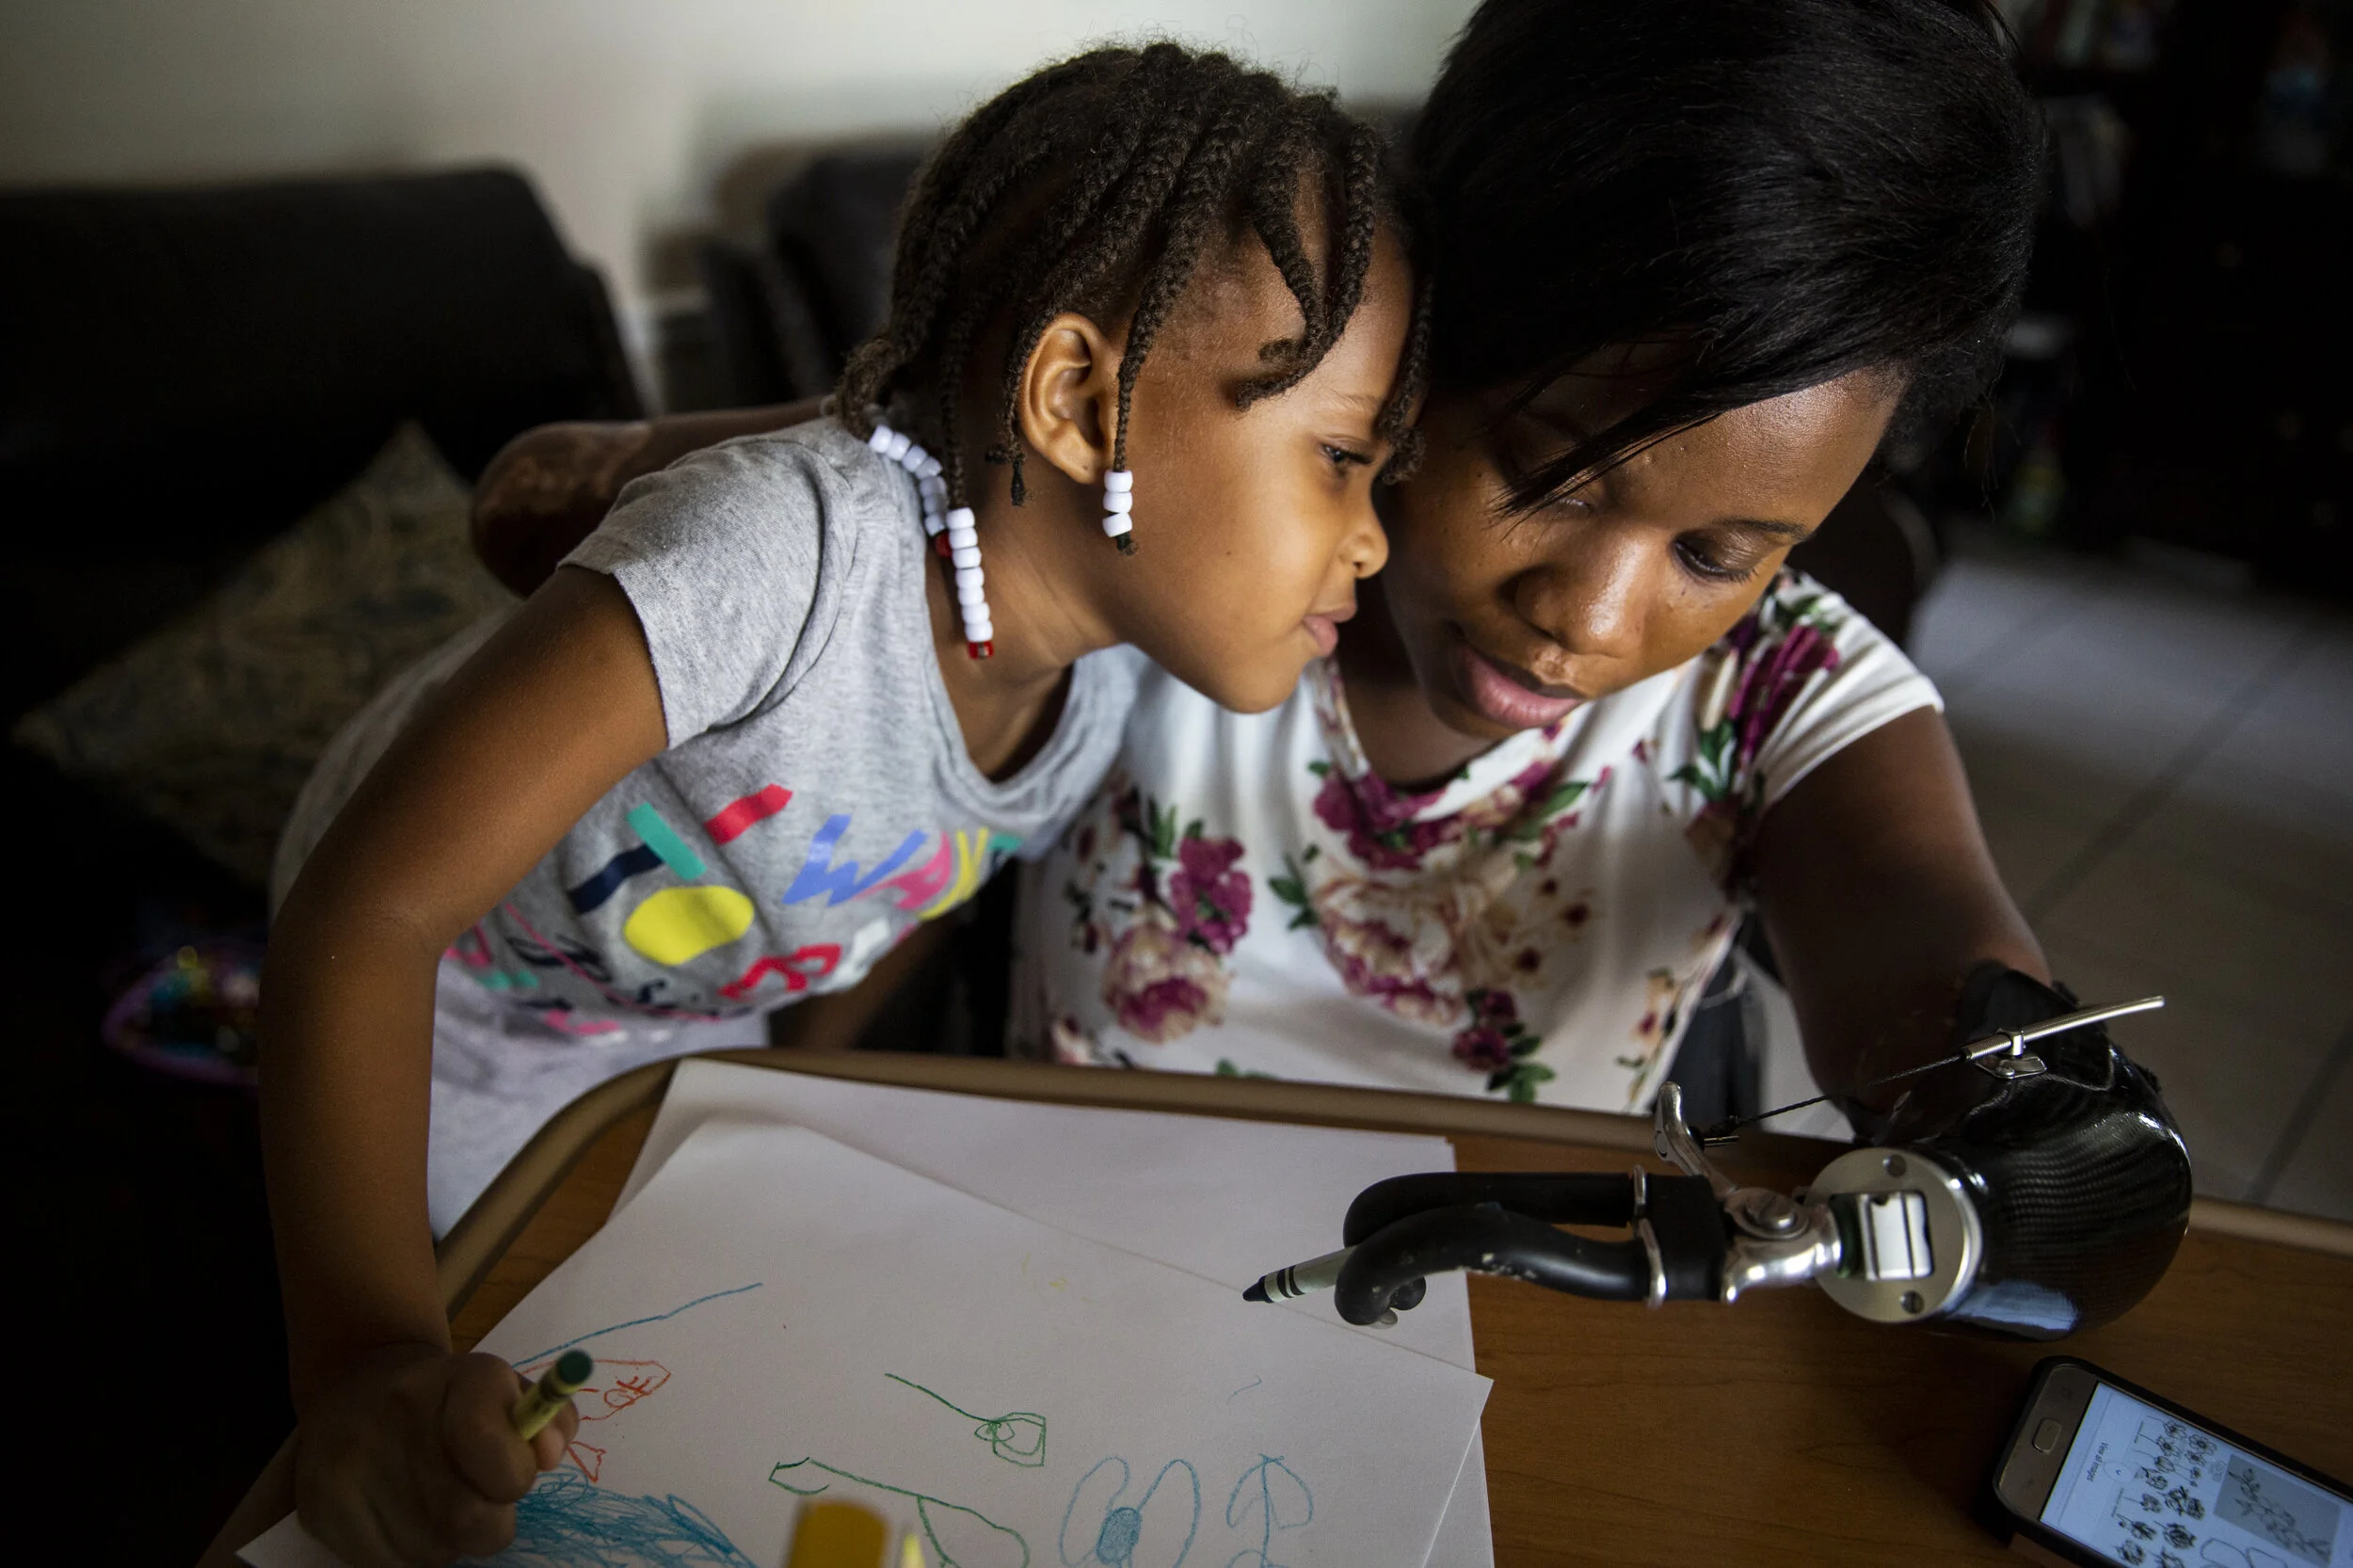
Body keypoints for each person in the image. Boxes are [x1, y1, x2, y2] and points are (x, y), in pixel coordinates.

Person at [259, 45, 1421, 1565]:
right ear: (1078, 400)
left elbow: (903, 876)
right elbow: (371, 911)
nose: (1374, 543)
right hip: (468, 995)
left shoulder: (1126, 669)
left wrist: (804, 1104)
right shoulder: (769, 561)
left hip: (686, 1003)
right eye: (1339, 461)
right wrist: (362, 1372)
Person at [1014, 0, 2048, 1125]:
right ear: (1426, 312)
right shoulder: (1149, 496)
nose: (1589, 622)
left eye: (1711, 555)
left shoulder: (1777, 699)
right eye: (1547, 478)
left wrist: (2021, 1106)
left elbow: (1930, 957)